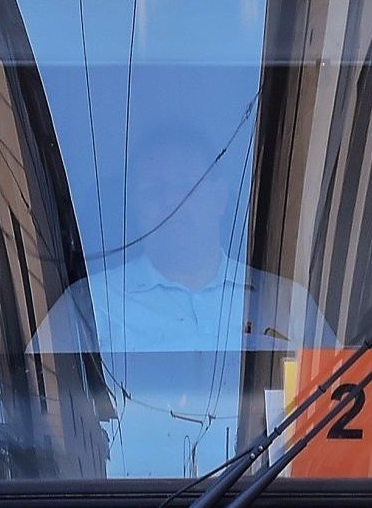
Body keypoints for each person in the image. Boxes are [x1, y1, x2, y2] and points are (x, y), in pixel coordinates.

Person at [32, 112, 333, 474]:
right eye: (154, 191)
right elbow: (36, 410)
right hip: (119, 503)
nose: (172, 204)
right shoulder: (89, 306)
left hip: (268, 504)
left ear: (220, 197)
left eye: (189, 186)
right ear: (134, 206)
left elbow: (341, 406)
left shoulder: (286, 304)